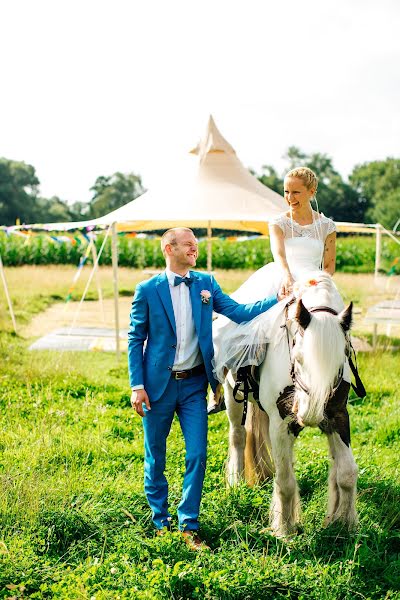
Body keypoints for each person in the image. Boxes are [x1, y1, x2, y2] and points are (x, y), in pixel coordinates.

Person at [128, 227, 279, 550]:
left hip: (195, 384)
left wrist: (278, 299)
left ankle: (189, 525)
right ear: (169, 249)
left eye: (196, 245)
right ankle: (160, 522)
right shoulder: (147, 289)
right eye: (188, 245)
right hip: (156, 387)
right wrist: (137, 385)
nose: (194, 249)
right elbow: (135, 339)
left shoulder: (206, 284)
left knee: (197, 454)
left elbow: (238, 313)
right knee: (156, 456)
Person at [212, 166, 342, 384]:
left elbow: (329, 266)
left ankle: (338, 377)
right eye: (286, 192)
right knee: (238, 325)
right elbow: (279, 255)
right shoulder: (278, 223)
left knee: (335, 327)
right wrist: (288, 277)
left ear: (312, 191)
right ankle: (232, 381)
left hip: (314, 282)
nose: (290, 198)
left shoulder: (327, 226)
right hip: (283, 277)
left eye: (296, 192)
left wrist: (315, 282)